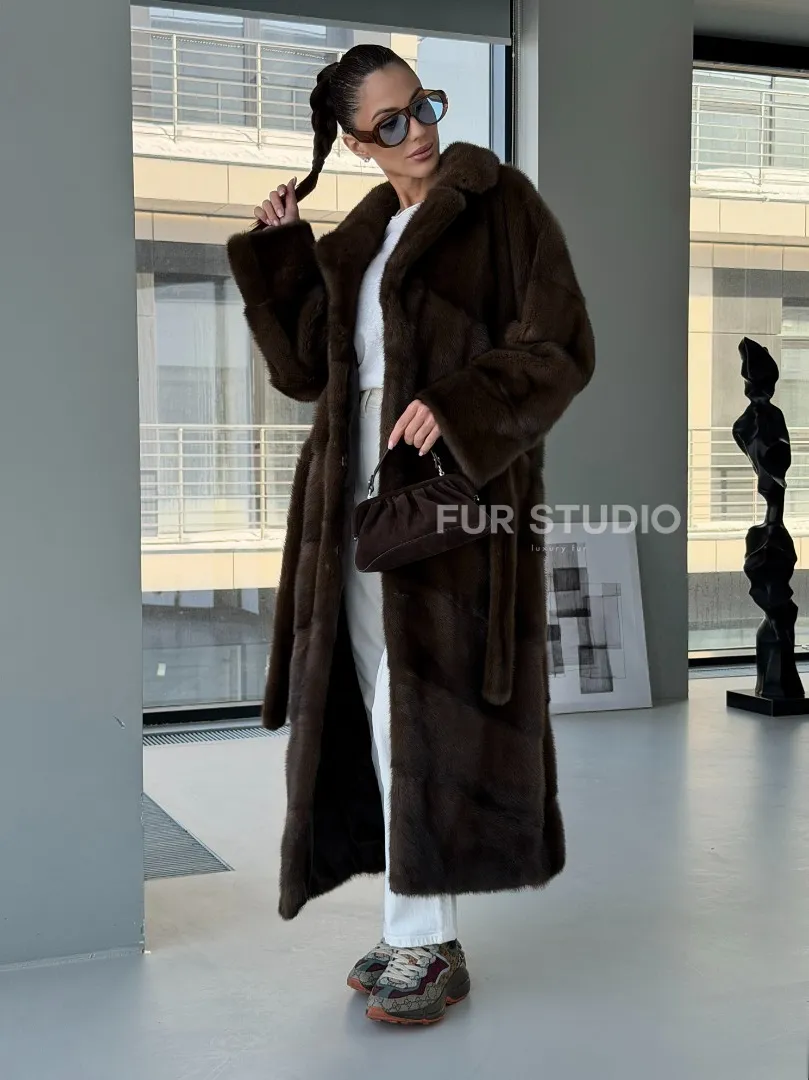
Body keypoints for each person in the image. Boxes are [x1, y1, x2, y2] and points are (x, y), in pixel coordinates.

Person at [227, 44, 595, 1027]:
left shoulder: (499, 207)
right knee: (374, 709)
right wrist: (283, 255)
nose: (417, 130)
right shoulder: (359, 238)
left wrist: (462, 401)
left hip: (448, 504)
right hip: (352, 507)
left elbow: (561, 348)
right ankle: (414, 929)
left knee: (413, 714)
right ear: (354, 143)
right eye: (388, 123)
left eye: (422, 105)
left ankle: (425, 942)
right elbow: (305, 373)